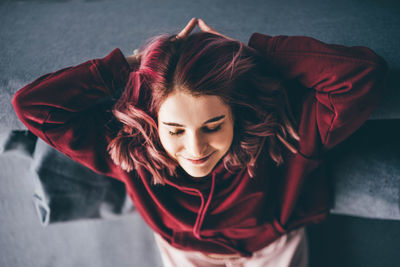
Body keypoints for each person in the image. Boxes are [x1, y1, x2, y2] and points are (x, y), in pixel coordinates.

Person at [12, 18, 388, 267]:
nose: (195, 148)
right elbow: (32, 106)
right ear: (153, 123)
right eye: (175, 130)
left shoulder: (284, 131)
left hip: (271, 248)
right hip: (185, 253)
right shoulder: (129, 148)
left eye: (212, 126)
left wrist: (257, 54)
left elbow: (362, 75)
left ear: (236, 114)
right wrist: (127, 66)